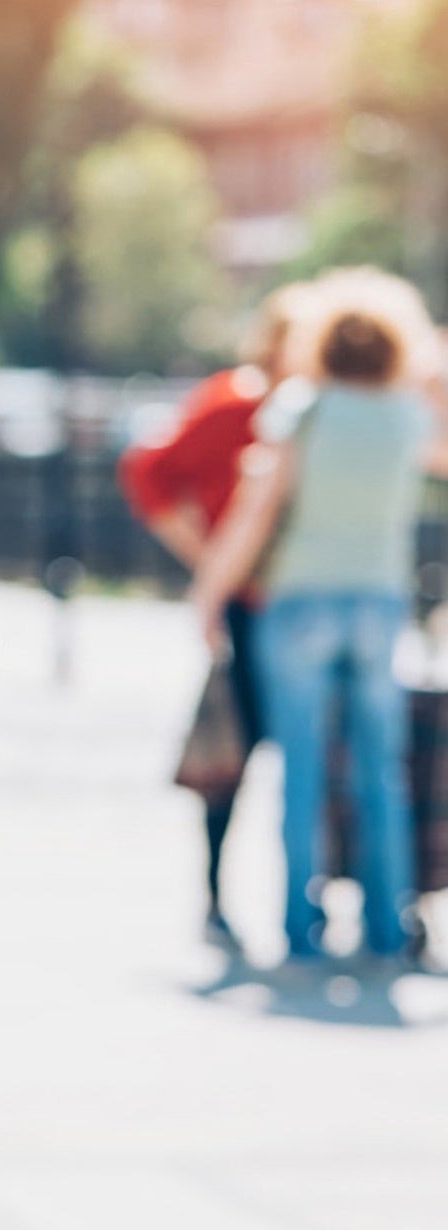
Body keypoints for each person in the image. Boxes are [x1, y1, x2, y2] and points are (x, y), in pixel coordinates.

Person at [192, 267, 448, 966]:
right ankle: (388, 929)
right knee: (381, 770)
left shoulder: (302, 407)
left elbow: (255, 515)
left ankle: (300, 930)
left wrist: (210, 592)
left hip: (299, 602)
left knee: (300, 768)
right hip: (379, 603)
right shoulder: (407, 416)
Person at [118, 283, 311, 946]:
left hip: (297, 600)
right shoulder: (239, 400)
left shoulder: (314, 407)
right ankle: (217, 895)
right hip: (252, 606)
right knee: (238, 750)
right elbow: (148, 470)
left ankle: (303, 900)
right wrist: (210, 563)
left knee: (307, 754)